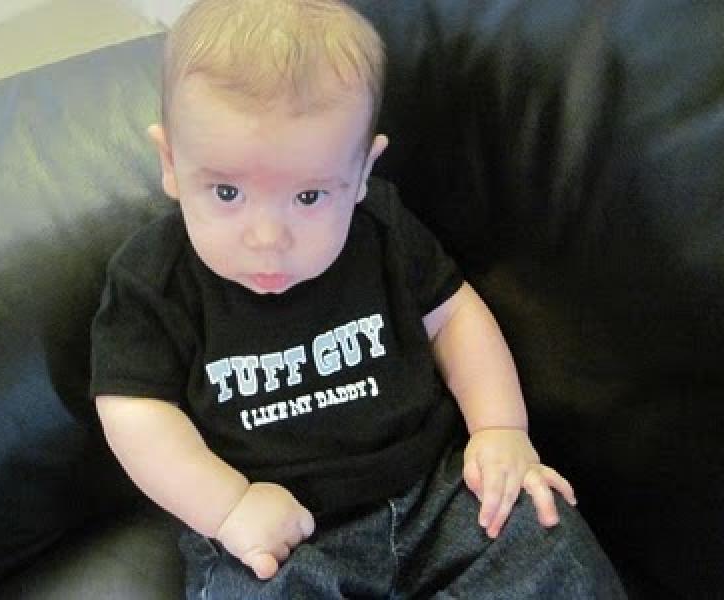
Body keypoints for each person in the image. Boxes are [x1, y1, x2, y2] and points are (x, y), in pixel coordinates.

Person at [90, 0, 625, 597]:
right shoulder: (153, 280)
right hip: (280, 529)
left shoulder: (382, 230)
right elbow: (134, 411)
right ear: (170, 163)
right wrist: (228, 506)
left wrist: (500, 427)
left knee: (543, 537)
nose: (267, 238)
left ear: (363, 170)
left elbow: (454, 316)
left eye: (309, 197)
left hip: (436, 493)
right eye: (226, 192)